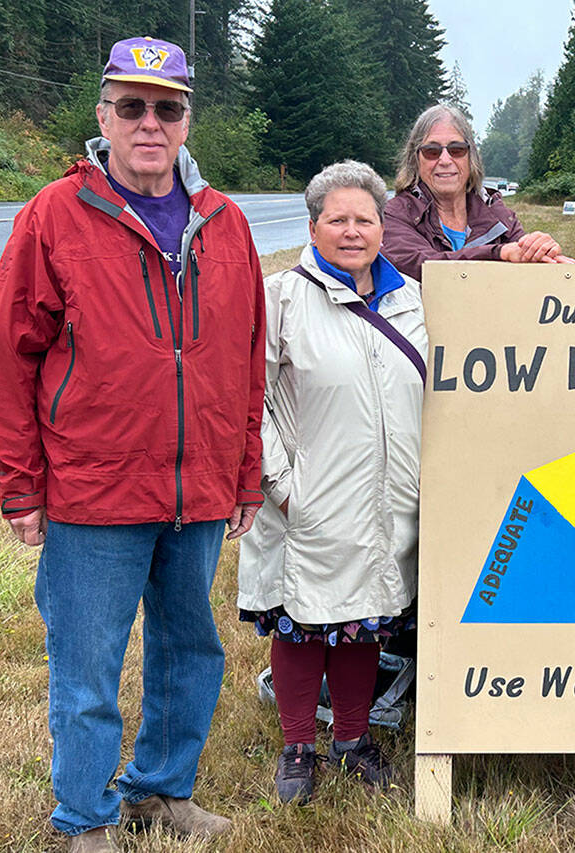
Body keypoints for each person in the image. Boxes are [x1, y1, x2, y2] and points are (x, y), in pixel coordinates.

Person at [0, 36, 265, 852]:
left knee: (190, 649)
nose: (150, 122)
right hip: (93, 485)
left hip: (200, 483)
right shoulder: (55, 214)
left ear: (185, 122)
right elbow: (8, 355)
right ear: (104, 117)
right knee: (88, 665)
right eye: (132, 106)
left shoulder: (226, 221)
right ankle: (85, 817)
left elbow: (247, 354)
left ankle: (161, 789)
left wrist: (245, 470)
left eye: (167, 108)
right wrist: (21, 484)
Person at [237, 160, 426, 803]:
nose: (352, 230)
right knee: (303, 624)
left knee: (363, 623)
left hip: (388, 499)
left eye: (364, 218)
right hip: (308, 498)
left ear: (382, 225)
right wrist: (282, 483)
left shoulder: (412, 301)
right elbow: (247, 395)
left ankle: (353, 740)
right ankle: (297, 748)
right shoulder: (281, 297)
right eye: (337, 219)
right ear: (313, 227)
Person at [382, 103, 572, 280]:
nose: (445, 160)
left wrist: (540, 250)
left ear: (470, 156)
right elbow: (421, 266)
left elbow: (525, 265)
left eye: (456, 150)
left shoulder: (497, 213)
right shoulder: (395, 214)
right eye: (432, 151)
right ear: (415, 160)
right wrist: (498, 253)